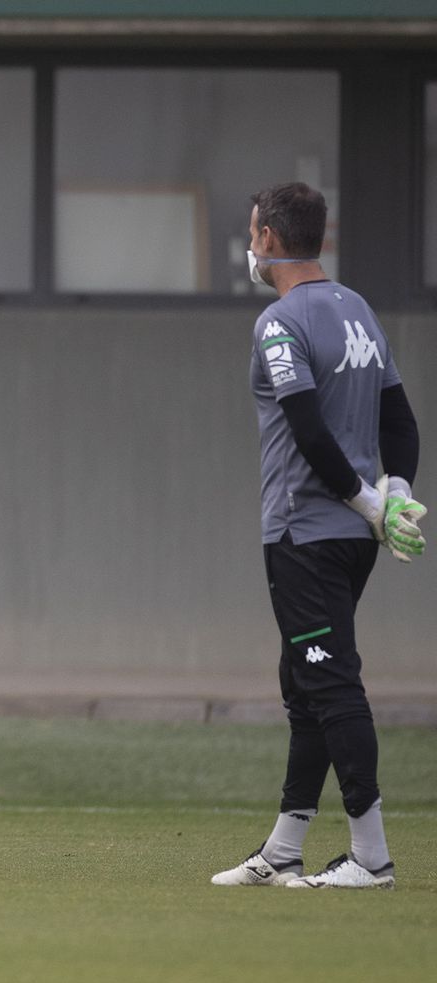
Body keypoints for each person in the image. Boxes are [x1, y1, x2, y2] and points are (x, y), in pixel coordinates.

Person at [211, 181, 424, 890]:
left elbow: (307, 431)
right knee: (303, 681)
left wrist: (370, 502)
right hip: (352, 536)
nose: (250, 245)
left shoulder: (279, 322)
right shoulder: (356, 308)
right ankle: (283, 849)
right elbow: (402, 423)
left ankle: (371, 856)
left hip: (305, 529)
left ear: (269, 238)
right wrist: (395, 496)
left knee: (330, 684)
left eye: (251, 232)